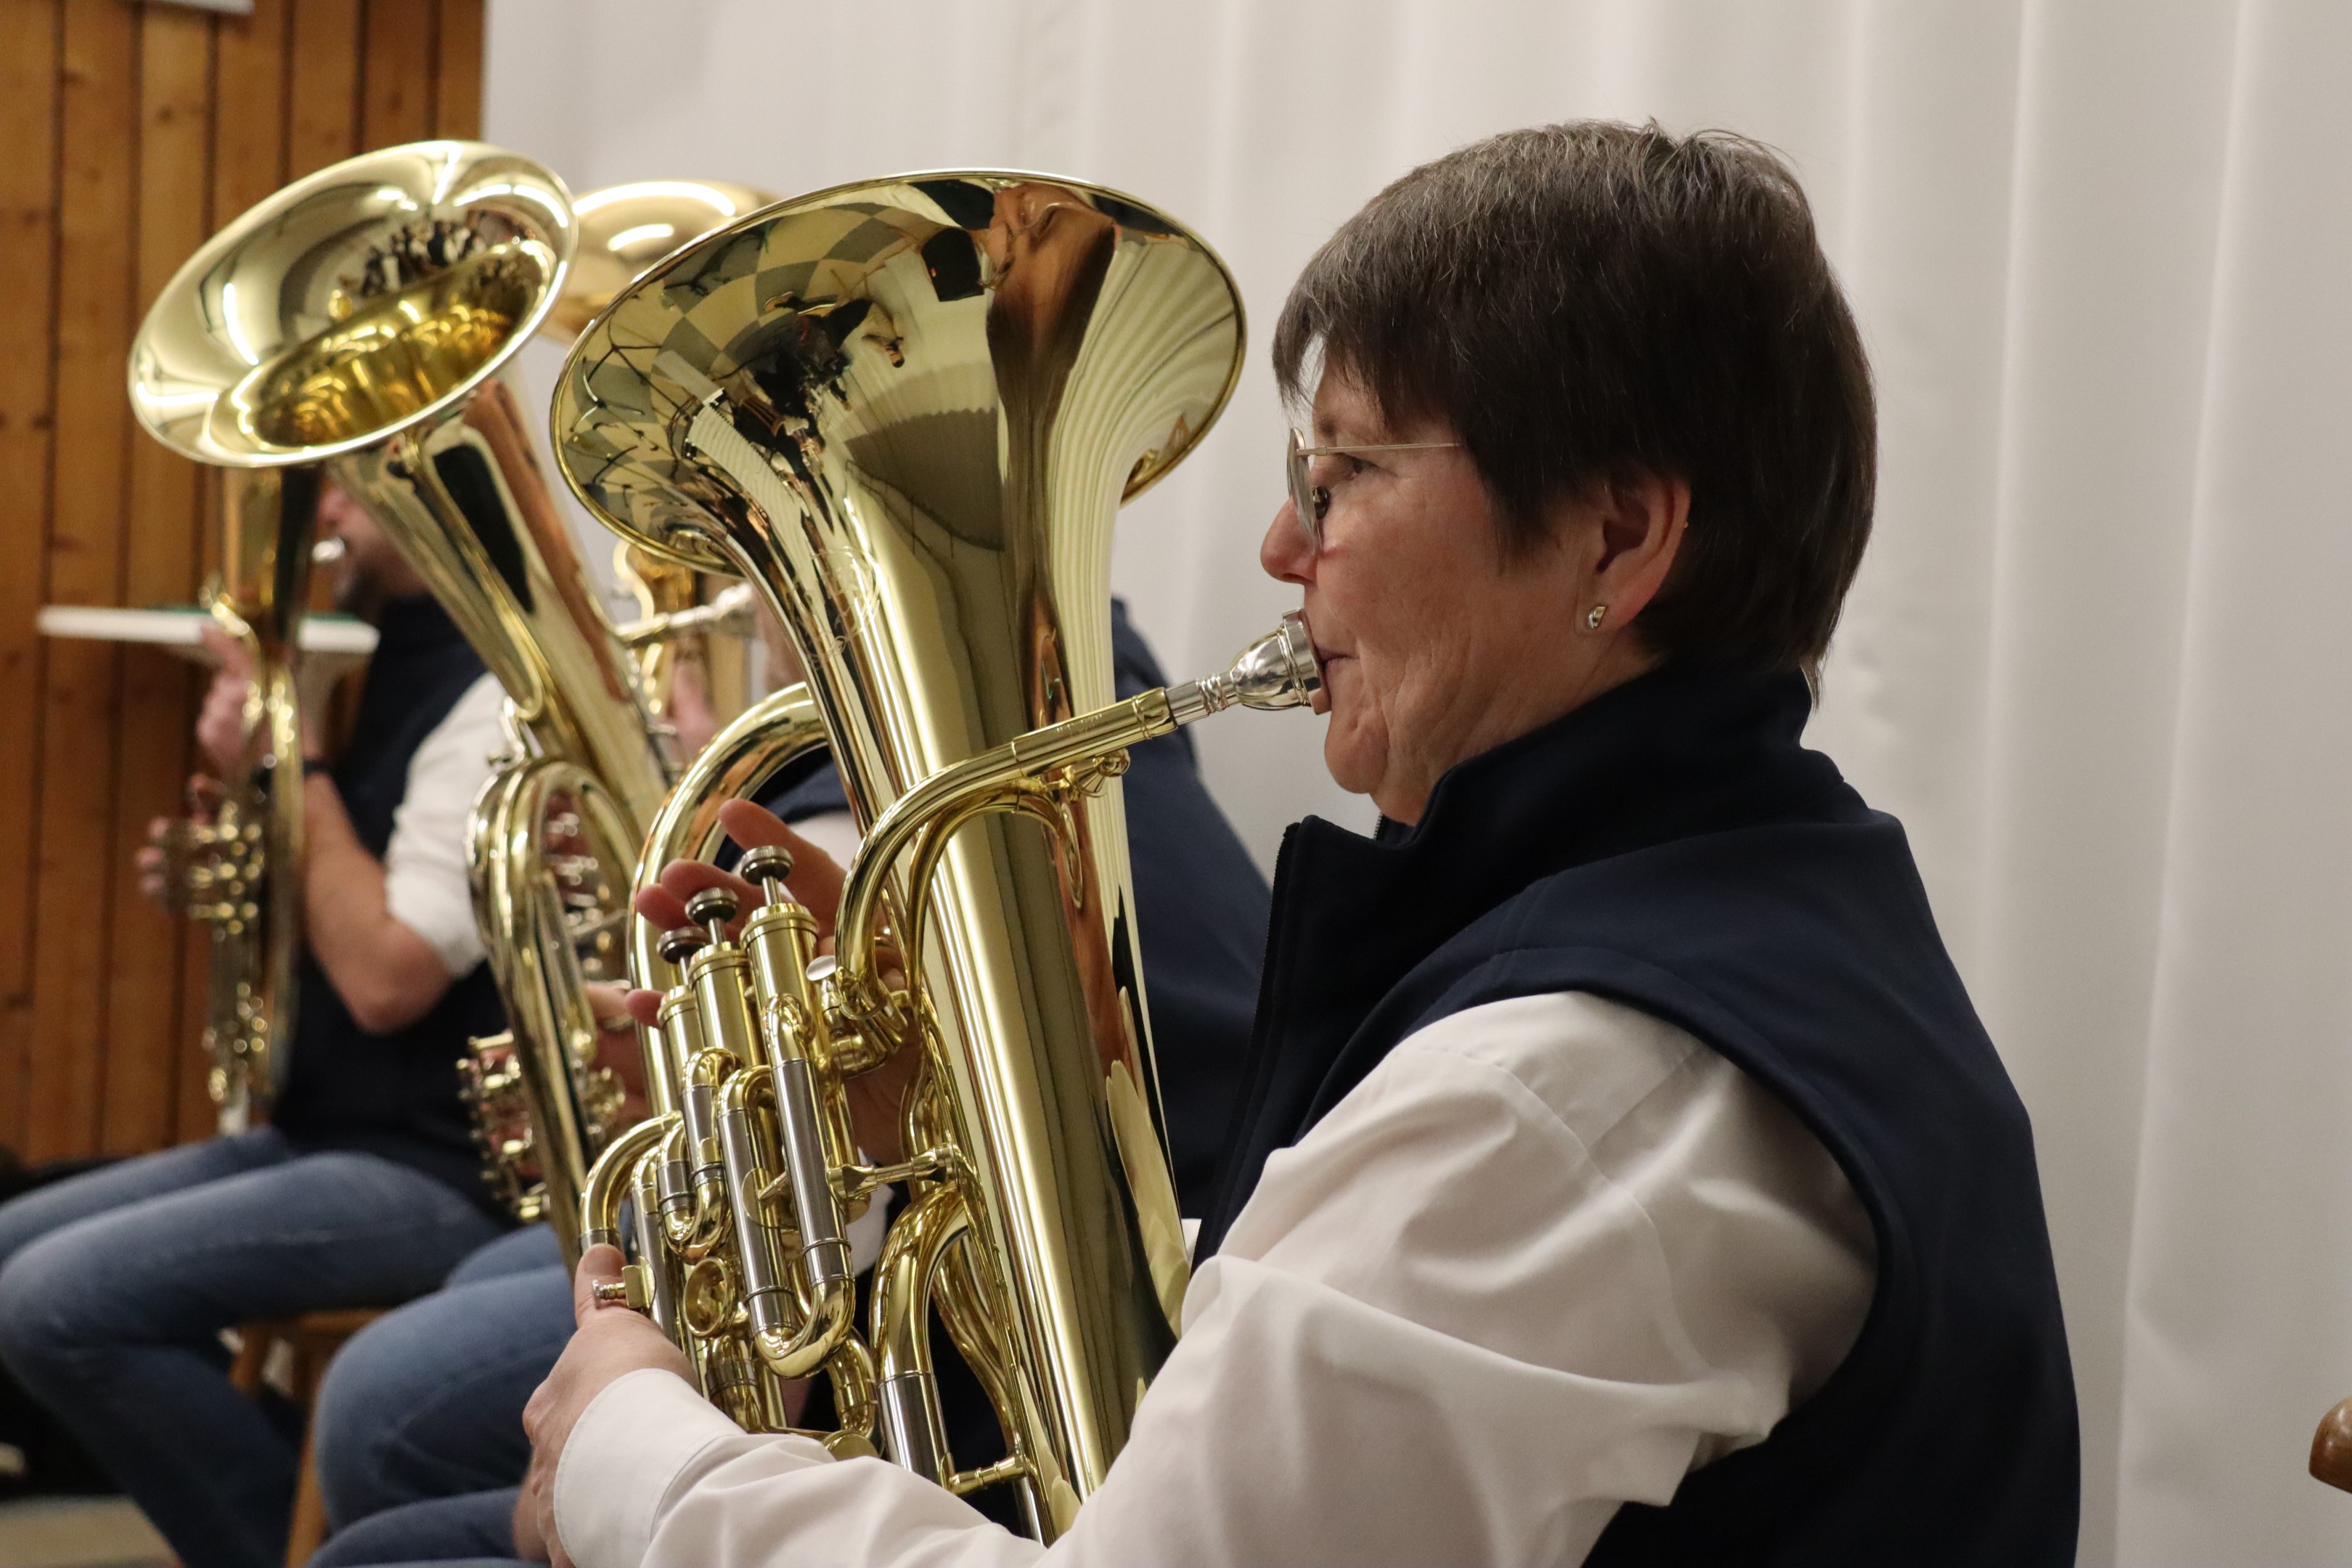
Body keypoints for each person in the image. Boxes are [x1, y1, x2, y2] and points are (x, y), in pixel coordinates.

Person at [519, 121, 2078, 1567]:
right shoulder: (1748, 927)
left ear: (1616, 535)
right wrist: (927, 1126)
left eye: (1342, 476)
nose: (1283, 546)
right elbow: (1347, 1336)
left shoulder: (1568, 1094)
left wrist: (632, 1451)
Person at [301, 600, 1271, 1567]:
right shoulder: (1114, 728)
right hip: (1131, 1345)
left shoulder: (844, 823)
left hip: (990, 1455)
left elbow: (769, 1381)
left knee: (378, 1435)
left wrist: (599, 1443)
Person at [0, 484, 516, 1568]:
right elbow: (347, 902)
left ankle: (314, 1546)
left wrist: (291, 764)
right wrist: (242, 850)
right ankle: (316, 1533)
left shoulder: (493, 696)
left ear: (427, 491)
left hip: (447, 1168)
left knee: (54, 1304)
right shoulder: (390, 659)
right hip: (330, 1129)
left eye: (351, 481)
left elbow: (387, 976)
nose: (324, 510)